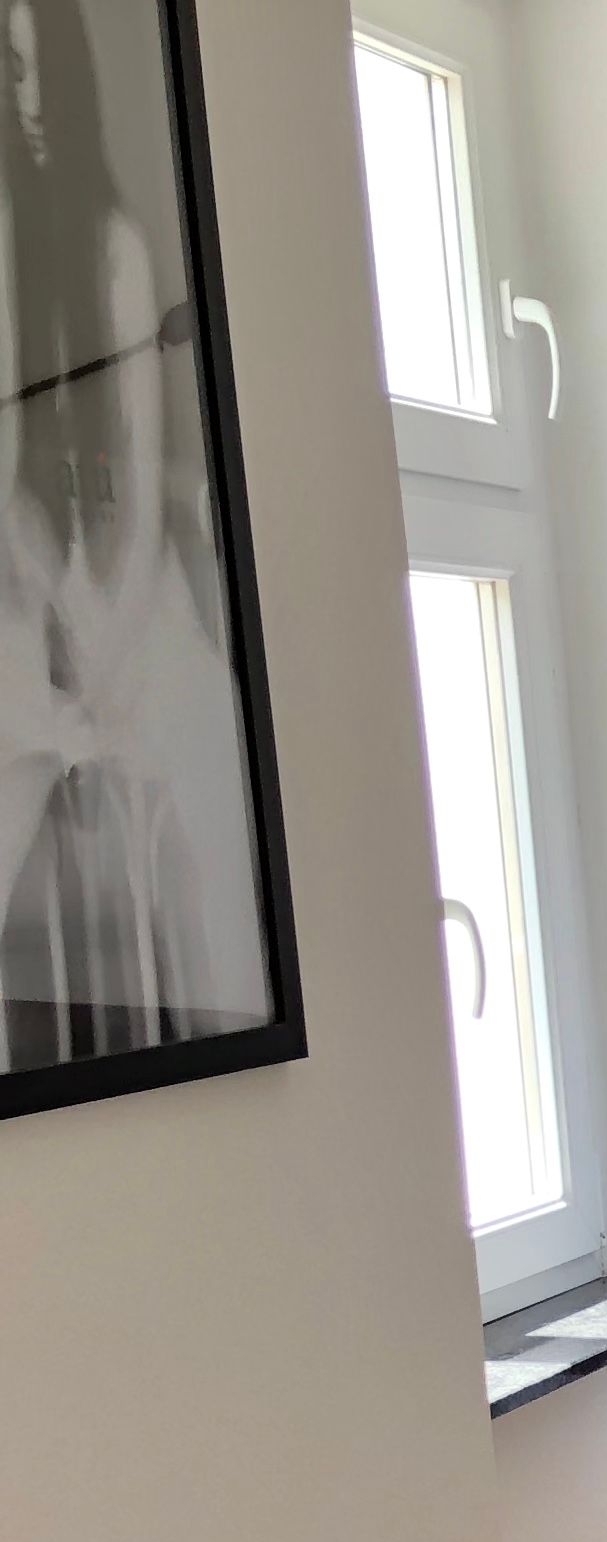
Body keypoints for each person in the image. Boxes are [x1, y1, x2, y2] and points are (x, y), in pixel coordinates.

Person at [0, 0, 236, 1070]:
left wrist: (95, 650)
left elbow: (137, 507)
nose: (26, 96)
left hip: (124, 600)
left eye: (37, 65)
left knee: (183, 770)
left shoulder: (116, 247)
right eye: (8, 71)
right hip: (38, 587)